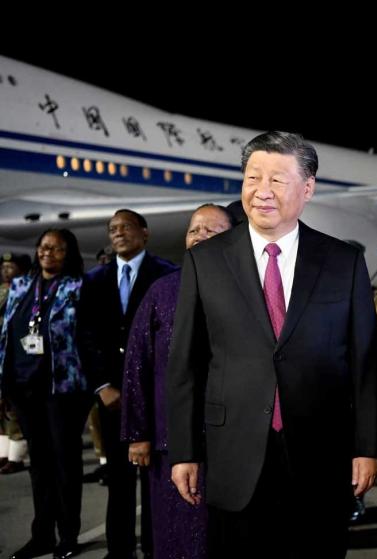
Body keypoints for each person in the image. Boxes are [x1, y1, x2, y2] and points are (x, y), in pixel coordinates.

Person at [166, 131, 377, 558]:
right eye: (253, 178)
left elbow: (365, 363)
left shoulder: (342, 262)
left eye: (277, 180)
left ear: (307, 188)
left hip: (321, 455)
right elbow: (186, 364)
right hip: (234, 453)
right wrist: (184, 452)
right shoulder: (205, 261)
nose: (262, 191)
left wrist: (367, 447)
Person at [120, 204, 234, 559]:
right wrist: (137, 433)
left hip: (233, 442)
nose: (200, 236)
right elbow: (137, 363)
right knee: (177, 532)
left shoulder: (248, 290)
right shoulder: (162, 291)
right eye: (194, 230)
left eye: (211, 230)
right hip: (171, 441)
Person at [80, 209, 178, 558]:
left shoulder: (166, 274)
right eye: (113, 229)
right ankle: (119, 550)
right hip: (111, 398)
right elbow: (84, 337)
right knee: (118, 480)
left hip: (153, 396)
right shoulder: (94, 280)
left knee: (155, 479)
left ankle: (154, 547)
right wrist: (102, 385)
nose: (118, 233)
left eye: (125, 227)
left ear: (144, 232)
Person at [0, 229, 89, 559]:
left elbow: (86, 336)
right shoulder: (21, 285)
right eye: (43, 247)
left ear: (69, 253)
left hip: (63, 390)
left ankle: (68, 536)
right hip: (24, 389)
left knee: (65, 465)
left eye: (57, 248)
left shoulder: (78, 286)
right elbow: (6, 333)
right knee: (39, 467)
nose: (47, 252)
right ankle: (42, 536)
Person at [0, 253, 32, 475]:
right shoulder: (2, 291)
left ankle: (16, 457)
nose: (6, 271)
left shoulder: (25, 291)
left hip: (13, 355)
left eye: (10, 267)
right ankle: (3, 453)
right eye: (4, 267)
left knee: (13, 409)